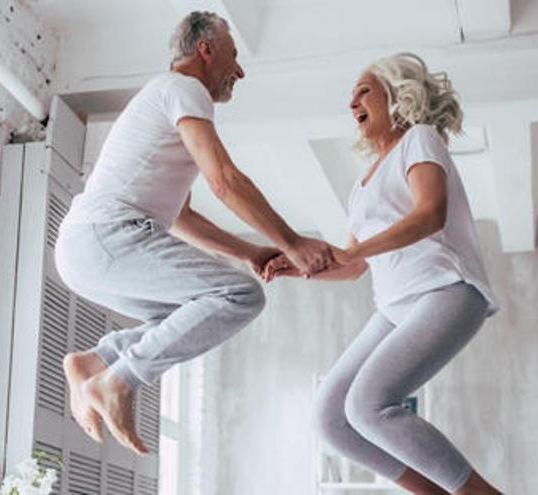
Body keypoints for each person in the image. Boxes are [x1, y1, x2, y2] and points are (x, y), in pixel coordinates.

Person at [54, 11, 335, 456]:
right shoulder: (183, 89)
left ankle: (97, 362)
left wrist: (247, 252)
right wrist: (292, 243)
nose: (239, 71)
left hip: (86, 246)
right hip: (106, 236)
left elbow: (182, 217)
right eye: (234, 56)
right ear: (206, 49)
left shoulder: (165, 100)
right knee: (241, 296)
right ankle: (118, 381)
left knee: (190, 315)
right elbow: (224, 180)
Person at [265, 53, 503, 494]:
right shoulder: (361, 185)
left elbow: (430, 213)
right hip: (395, 305)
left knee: (368, 404)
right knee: (330, 418)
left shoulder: (420, 139)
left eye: (363, 90)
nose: (352, 102)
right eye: (351, 95)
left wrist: (353, 249)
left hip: (446, 290)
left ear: (396, 94)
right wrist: (297, 270)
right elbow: (355, 266)